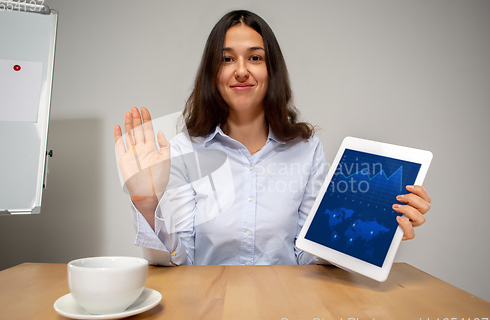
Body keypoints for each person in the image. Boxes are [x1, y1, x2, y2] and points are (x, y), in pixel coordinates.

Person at [114, 10, 431, 266]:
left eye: (255, 58)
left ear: (272, 70)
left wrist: (375, 230)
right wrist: (146, 204)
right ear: (212, 73)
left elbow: (307, 255)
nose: (241, 71)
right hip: (209, 308)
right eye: (227, 59)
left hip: (287, 311)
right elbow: (179, 261)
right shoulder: (185, 151)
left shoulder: (307, 150)